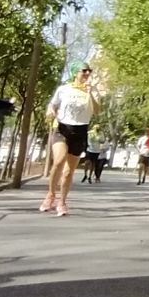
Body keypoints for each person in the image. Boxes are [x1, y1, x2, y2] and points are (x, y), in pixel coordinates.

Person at [40, 65, 97, 216]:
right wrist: (51, 111)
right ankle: (51, 194)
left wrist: (90, 94)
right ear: (75, 73)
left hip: (80, 131)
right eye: (83, 70)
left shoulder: (91, 91)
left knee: (68, 172)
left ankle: (62, 201)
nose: (87, 73)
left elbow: (97, 110)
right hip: (62, 128)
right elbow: (52, 104)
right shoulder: (64, 89)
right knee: (58, 161)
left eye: (89, 71)